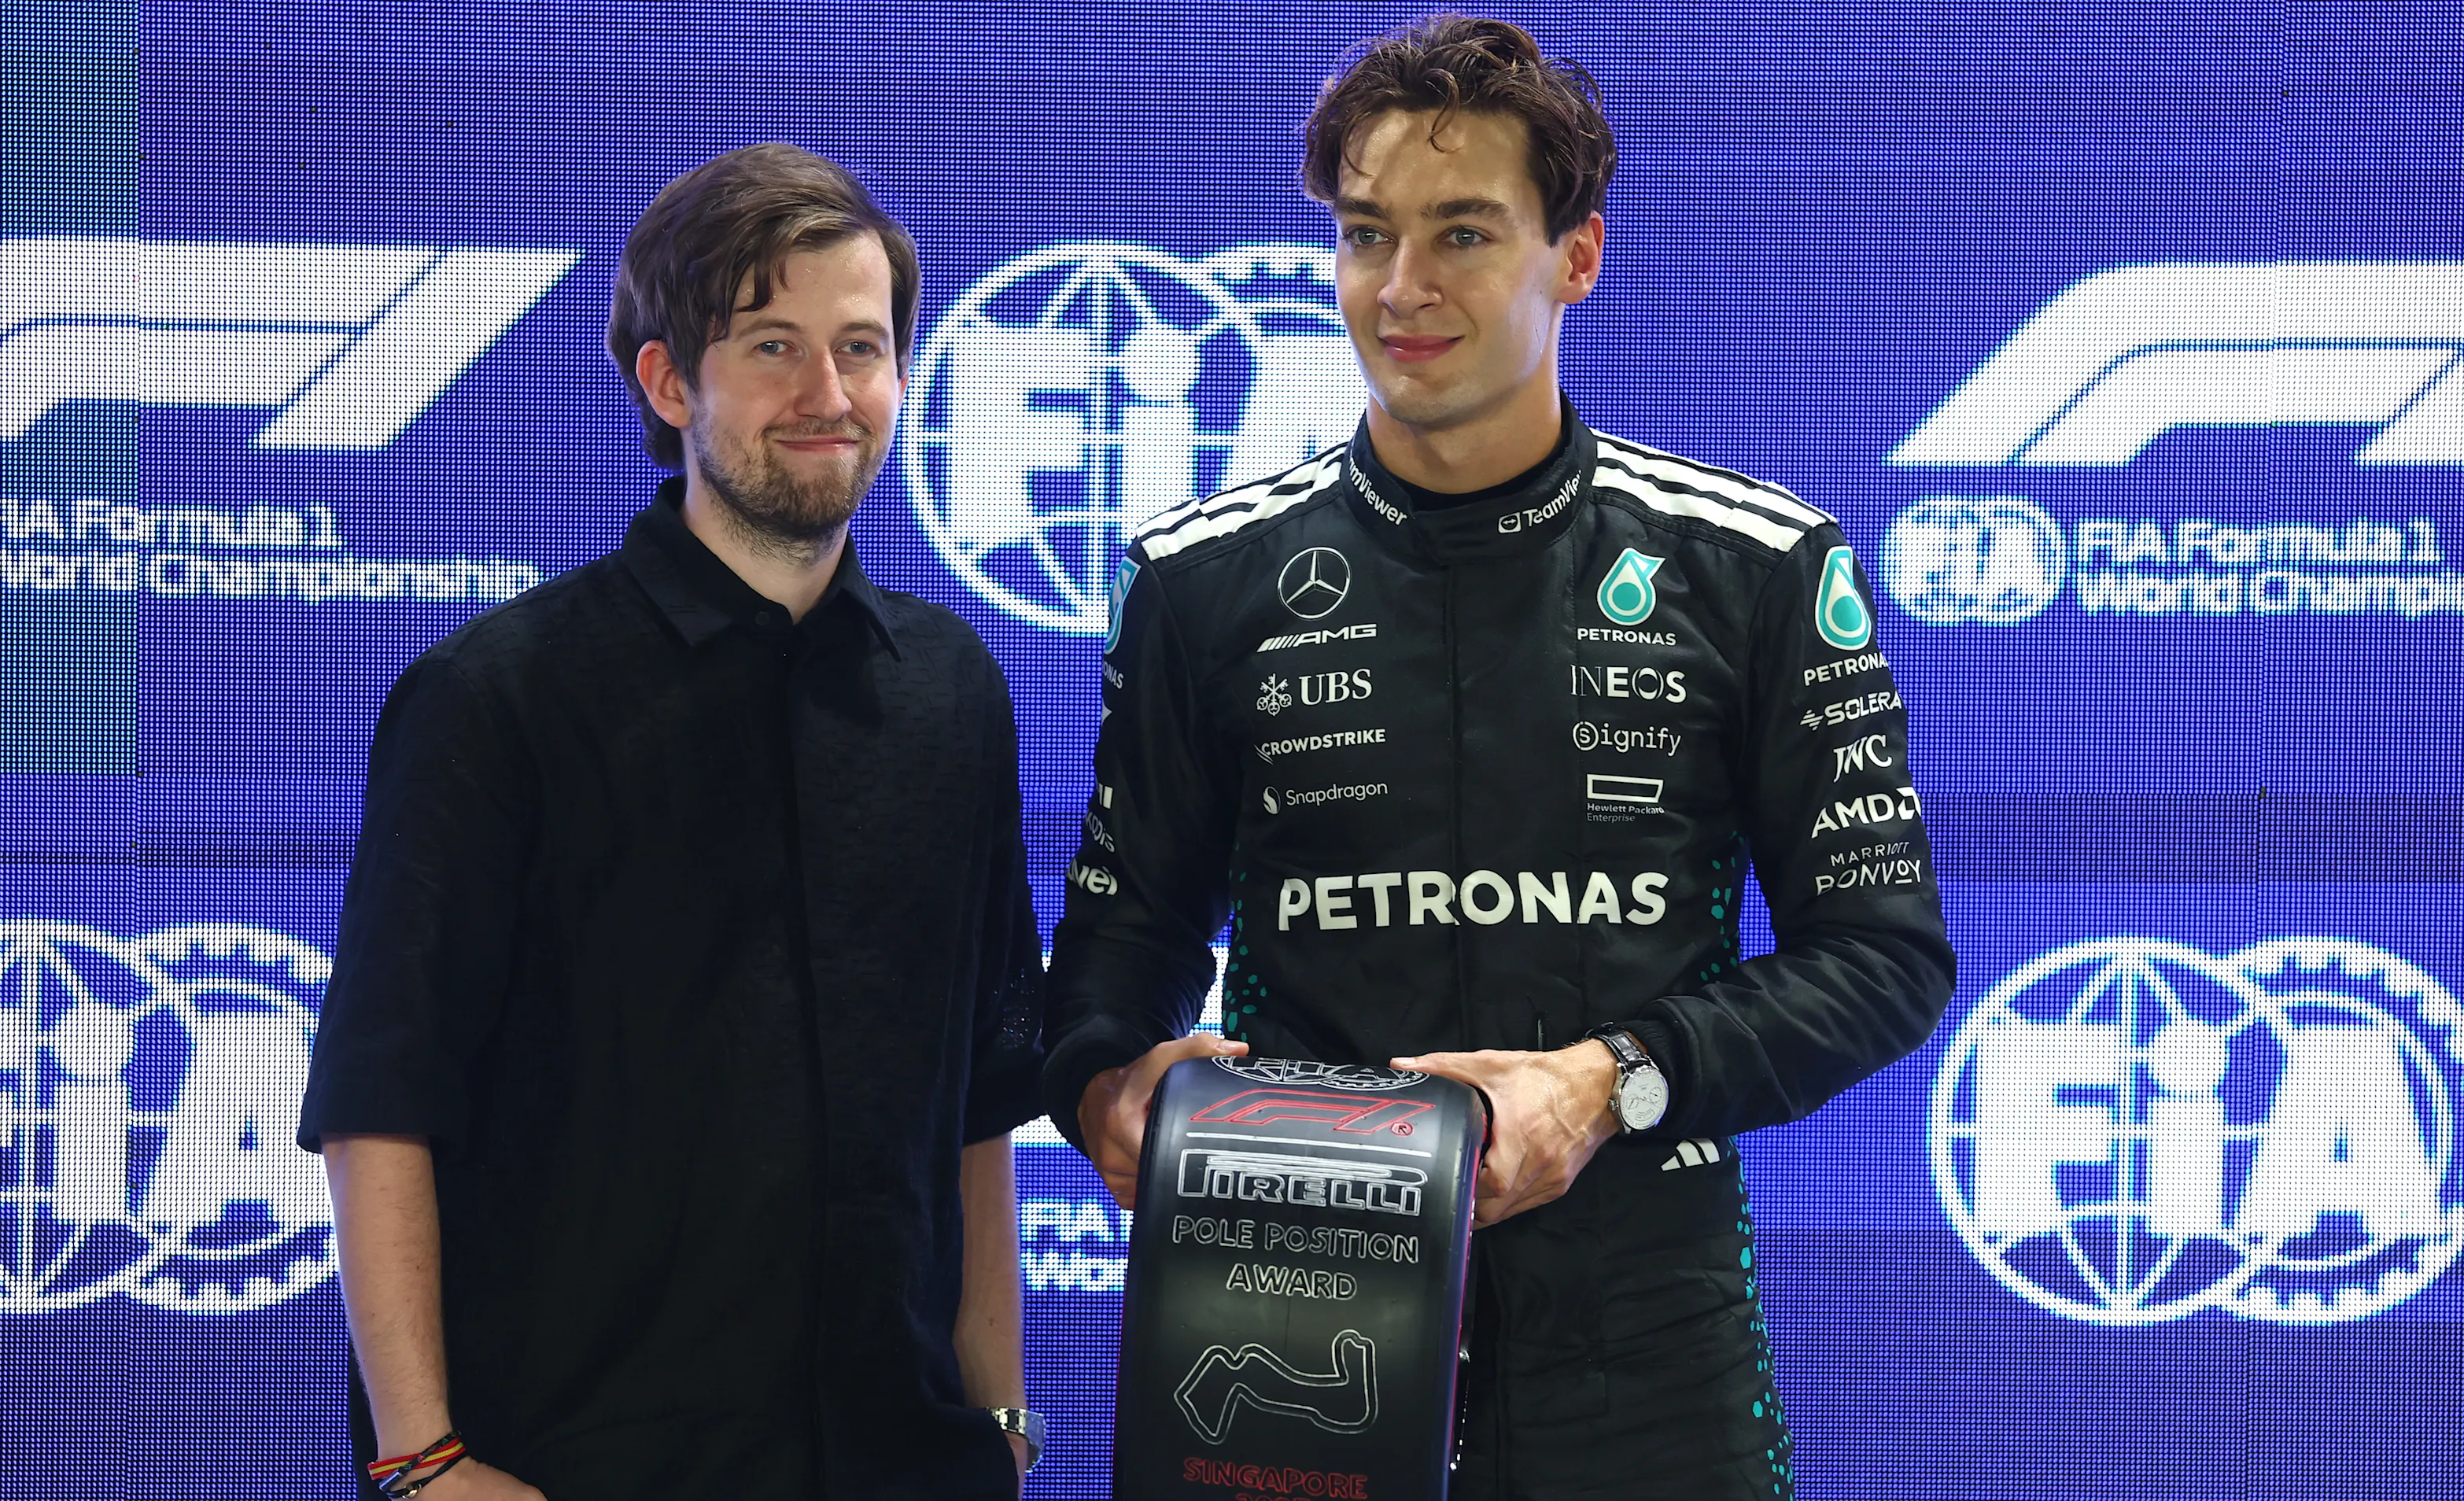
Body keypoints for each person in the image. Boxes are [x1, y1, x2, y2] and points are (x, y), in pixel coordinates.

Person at [1042, 17, 1953, 1499]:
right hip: (1289, 1314)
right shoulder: (1201, 582)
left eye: (1462, 233)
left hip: (1646, 1350)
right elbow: (1116, 950)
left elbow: (1883, 955)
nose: (1401, 288)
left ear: (1575, 256)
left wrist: (1608, 1084)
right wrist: (1105, 1089)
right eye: (1365, 234)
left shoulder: (1755, 567)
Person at [300, 143, 1046, 1501]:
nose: (830, 396)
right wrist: (420, 1460)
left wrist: (996, 1415)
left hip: (905, 1467)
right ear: (667, 381)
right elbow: (380, 1104)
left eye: (862, 348)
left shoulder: (953, 690)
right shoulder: (497, 698)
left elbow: (979, 1105)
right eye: (773, 347)